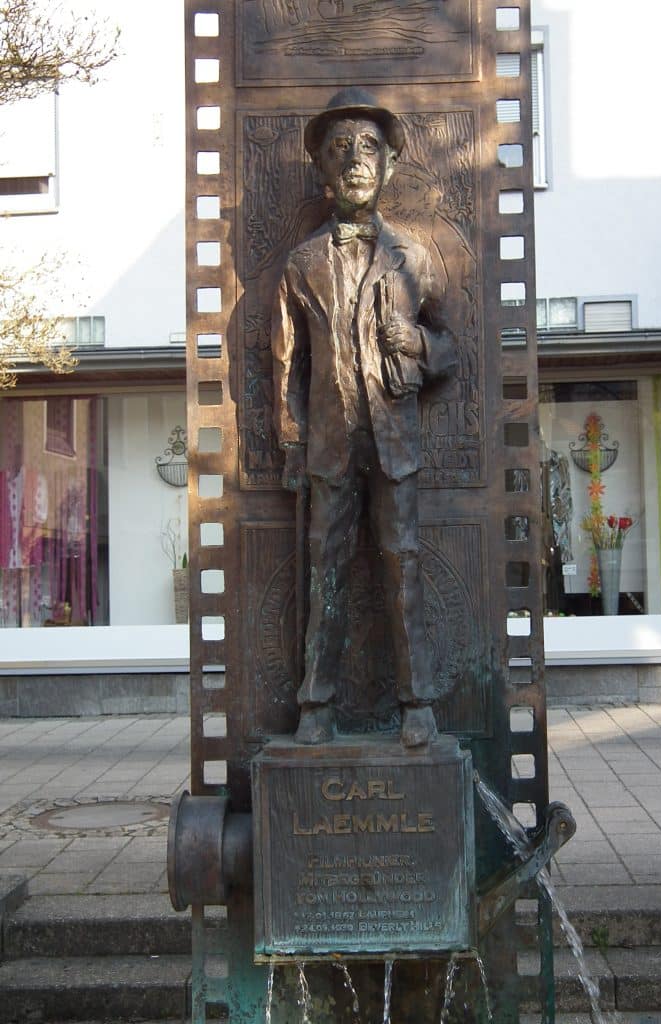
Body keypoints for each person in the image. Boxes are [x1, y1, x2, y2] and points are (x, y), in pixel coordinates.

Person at [272, 88, 456, 747]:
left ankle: (417, 704)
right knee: (327, 572)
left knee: (402, 567)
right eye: (341, 149)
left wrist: (421, 347)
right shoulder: (301, 266)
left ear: (388, 168)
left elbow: (451, 346)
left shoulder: (414, 260)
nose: (356, 160)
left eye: (370, 149)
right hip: (328, 445)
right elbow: (286, 363)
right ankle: (315, 707)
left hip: (394, 440)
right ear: (322, 169)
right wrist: (293, 439)